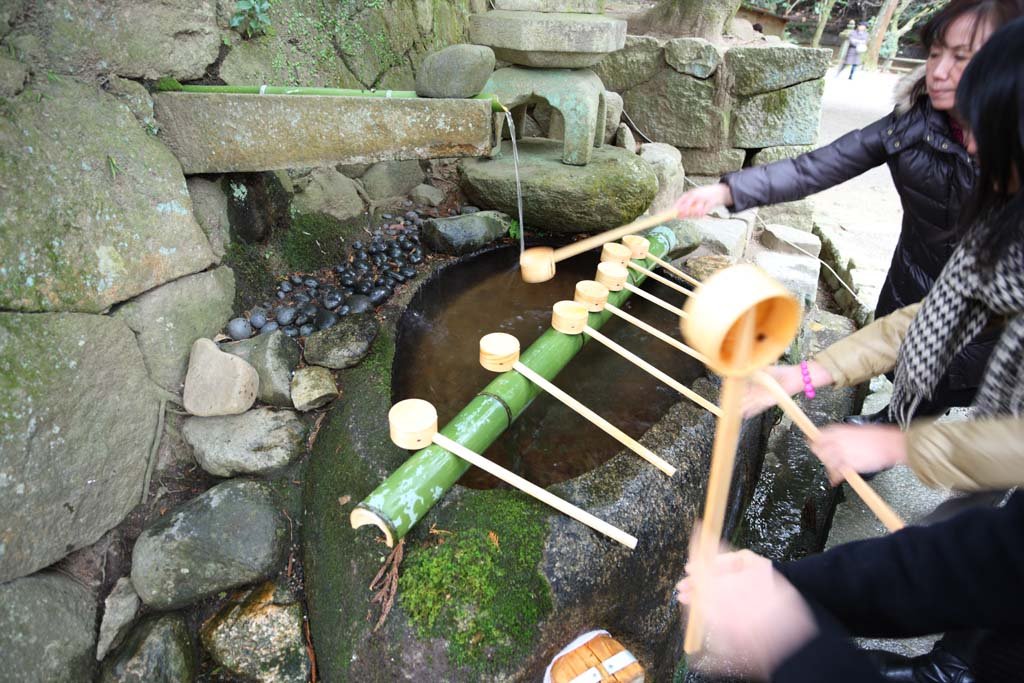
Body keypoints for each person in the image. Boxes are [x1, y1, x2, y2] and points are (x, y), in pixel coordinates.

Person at [687, 18, 1024, 682]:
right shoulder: (998, 221)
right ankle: (955, 662)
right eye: (938, 53)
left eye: (985, 123)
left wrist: (902, 446)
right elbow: (926, 319)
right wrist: (810, 373)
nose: (970, 139)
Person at [674, 0, 1024, 424]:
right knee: (916, 373)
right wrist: (729, 191)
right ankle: (895, 423)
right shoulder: (912, 123)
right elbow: (823, 165)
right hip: (918, 279)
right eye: (935, 54)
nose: (939, 72)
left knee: (972, 391)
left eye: (963, 58)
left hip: (989, 336)